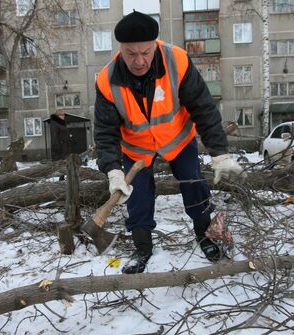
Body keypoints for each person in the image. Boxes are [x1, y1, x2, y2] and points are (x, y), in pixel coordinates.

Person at [94, 11, 246, 274]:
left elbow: (203, 108)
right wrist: (113, 170)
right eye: (131, 54)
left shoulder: (177, 61)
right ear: (121, 50)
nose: (139, 60)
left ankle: (205, 236)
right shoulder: (107, 80)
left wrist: (219, 153)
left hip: (178, 139)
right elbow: (105, 131)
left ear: (156, 44)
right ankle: (142, 248)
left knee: (193, 182)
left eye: (145, 52)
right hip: (137, 147)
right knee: (137, 196)